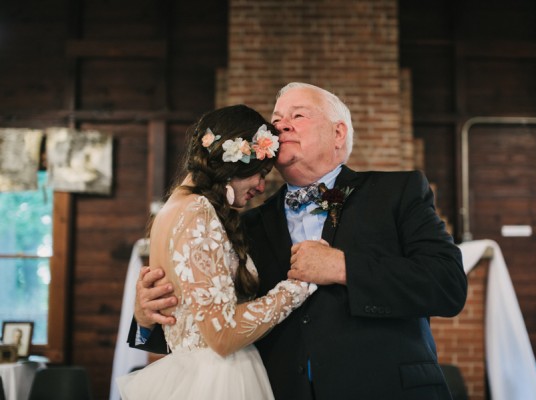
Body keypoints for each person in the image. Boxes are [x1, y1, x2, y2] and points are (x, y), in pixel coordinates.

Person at [131, 83, 468, 399]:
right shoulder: (239, 224)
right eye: (276, 120)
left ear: (338, 133)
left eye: (298, 115)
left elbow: (448, 285)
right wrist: (147, 319)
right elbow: (208, 329)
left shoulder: (398, 192)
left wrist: (344, 267)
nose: (282, 126)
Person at [118, 104, 317, 400]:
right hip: (219, 379)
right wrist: (300, 285)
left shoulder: (177, 207)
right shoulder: (197, 211)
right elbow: (222, 333)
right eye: (260, 173)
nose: (262, 187)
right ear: (236, 161)